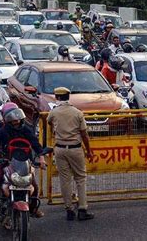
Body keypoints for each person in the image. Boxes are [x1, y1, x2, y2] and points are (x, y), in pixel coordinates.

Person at [0, 106, 46, 219]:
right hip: (7, 161)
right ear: (7, 119)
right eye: (13, 119)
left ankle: (33, 207)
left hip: (25, 162)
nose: (16, 121)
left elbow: (36, 146)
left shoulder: (26, 130)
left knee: (33, 185)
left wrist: (42, 159)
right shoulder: (1, 131)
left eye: (18, 118)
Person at [47, 87, 94, 221]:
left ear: (57, 97)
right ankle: (82, 209)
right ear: (69, 96)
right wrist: (89, 151)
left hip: (60, 149)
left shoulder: (53, 112)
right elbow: (84, 134)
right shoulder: (77, 113)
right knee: (80, 178)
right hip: (75, 148)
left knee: (65, 179)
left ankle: (69, 209)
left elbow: (50, 124)